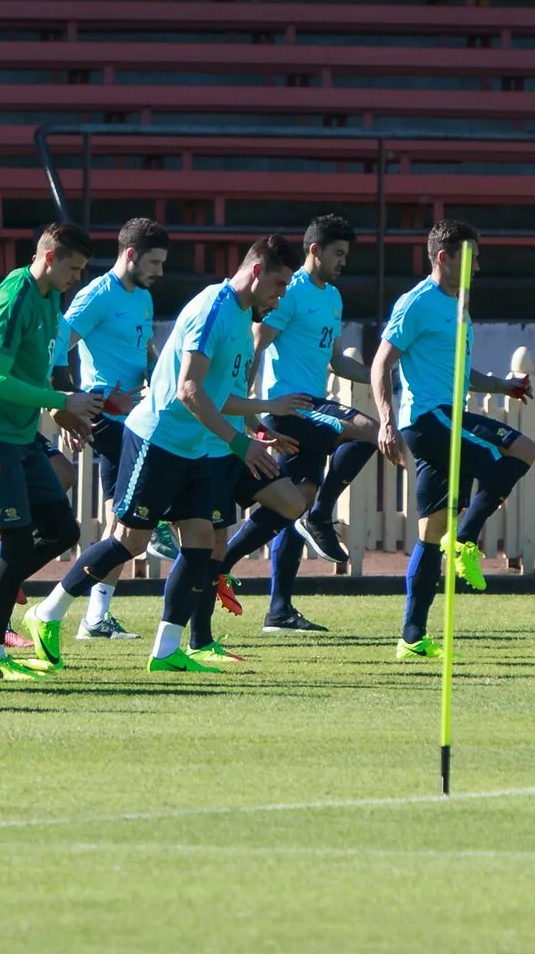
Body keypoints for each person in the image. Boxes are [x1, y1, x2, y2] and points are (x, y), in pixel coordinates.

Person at [30, 235, 306, 674]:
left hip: (195, 448)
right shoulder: (214, 308)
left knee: (200, 540)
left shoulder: (241, 315)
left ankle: (166, 650)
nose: (283, 293)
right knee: (130, 541)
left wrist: (256, 423)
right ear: (257, 271)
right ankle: (48, 611)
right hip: (157, 440)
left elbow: (219, 395)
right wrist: (239, 443)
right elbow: (189, 390)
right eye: (280, 282)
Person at [369, 221, 535, 660]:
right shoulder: (417, 303)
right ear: (444, 257)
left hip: (445, 418)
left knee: (430, 532)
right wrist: (386, 422)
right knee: (522, 449)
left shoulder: (458, 306)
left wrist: (503, 386)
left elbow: (460, 373)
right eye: (471, 258)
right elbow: (381, 363)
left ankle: (411, 637)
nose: (477, 267)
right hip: (430, 419)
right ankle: (466, 538)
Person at [0, 224, 100, 680]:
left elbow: (41, 368)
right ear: (49, 258)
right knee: (15, 545)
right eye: (73, 268)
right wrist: (61, 402)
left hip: (22, 433)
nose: (77, 278)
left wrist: (61, 407)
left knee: (62, 530)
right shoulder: (14, 298)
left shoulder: (51, 297)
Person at [213, 214, 381, 635]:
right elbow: (255, 346)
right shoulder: (290, 292)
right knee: (369, 430)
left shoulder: (333, 297)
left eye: (346, 254)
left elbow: (337, 361)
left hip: (313, 409)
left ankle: (273, 605)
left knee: (291, 503)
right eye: (338, 253)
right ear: (315, 250)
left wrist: (380, 374)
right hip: (292, 409)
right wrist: (251, 413)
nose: (343, 261)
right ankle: (321, 516)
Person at [54, 217, 167, 639]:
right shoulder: (97, 295)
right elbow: (56, 347)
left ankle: (94, 617)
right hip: (105, 415)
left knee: (118, 529)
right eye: (154, 262)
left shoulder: (142, 297)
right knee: (151, 491)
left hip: (134, 417)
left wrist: (160, 374)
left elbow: (145, 352)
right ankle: (160, 523)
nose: (159, 272)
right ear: (131, 255)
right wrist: (67, 404)